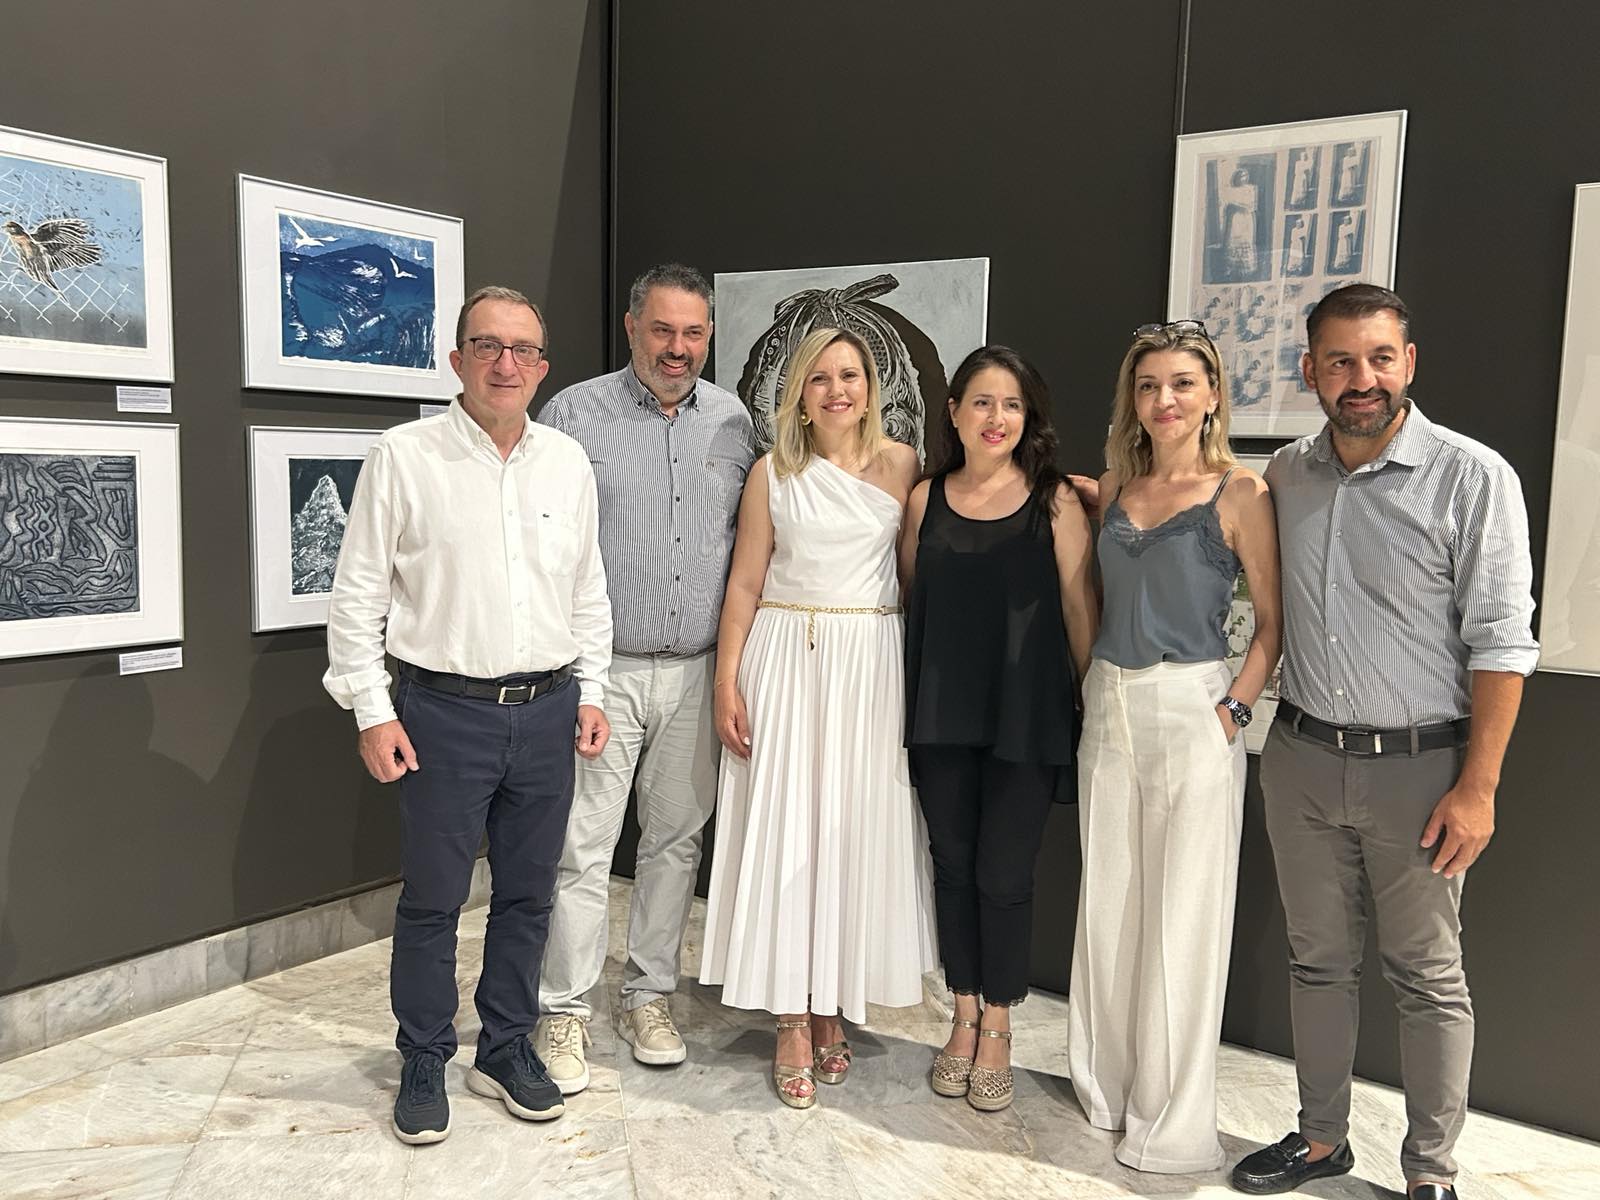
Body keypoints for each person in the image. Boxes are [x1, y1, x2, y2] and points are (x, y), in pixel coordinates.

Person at [1230, 285, 1537, 1200]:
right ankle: (1321, 1139)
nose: (1360, 378)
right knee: (1316, 963)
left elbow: (1502, 642)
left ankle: (1430, 1174)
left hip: (1422, 772)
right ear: (1310, 371)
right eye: (1339, 360)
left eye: (1378, 358)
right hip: (1301, 760)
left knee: (1429, 979)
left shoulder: (1472, 477)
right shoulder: (1286, 474)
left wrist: (1478, 788)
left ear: (1409, 363)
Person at [323, 285, 613, 1145]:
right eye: (487, 346)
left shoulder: (567, 462)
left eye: (523, 349)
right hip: (443, 713)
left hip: (549, 710)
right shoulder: (404, 456)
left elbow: (588, 589)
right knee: (434, 899)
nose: (505, 363)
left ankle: (506, 1046)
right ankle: (423, 1054)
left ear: (543, 367)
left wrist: (592, 690)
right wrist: (371, 710)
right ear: (457, 360)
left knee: (528, 895)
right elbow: (357, 595)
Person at [698, 326, 937, 1109]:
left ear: (871, 388)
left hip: (869, 666)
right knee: (789, 833)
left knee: (850, 835)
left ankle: (832, 998)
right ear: (799, 393)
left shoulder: (903, 465)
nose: (838, 390)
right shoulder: (772, 472)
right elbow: (744, 583)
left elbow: (912, 577)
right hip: (787, 661)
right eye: (821, 377)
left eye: (851, 375)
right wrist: (726, 683)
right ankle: (792, 1017)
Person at [534, 264, 755, 1093]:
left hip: (698, 671)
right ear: (631, 327)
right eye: (662, 330)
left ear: (709, 336)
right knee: (583, 848)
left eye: (693, 333)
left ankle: (648, 996)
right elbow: (548, 547)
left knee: (674, 844)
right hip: (606, 672)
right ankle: (563, 1009)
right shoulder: (573, 415)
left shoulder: (733, 420)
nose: (677, 348)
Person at [1067, 319, 1282, 1172]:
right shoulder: (1114, 487)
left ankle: (1171, 1121)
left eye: (1182, 383)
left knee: (1184, 914)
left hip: (1193, 703)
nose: (1165, 399)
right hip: (1109, 704)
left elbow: (1273, 625)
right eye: (1149, 384)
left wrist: (1231, 712)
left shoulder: (1241, 492)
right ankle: (1107, 1091)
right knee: (1110, 903)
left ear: (1212, 394)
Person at [898, 345, 1097, 1113]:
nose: (996, 417)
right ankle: (962, 1014)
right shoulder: (925, 499)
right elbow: (911, 598)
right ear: (952, 412)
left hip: (1028, 715)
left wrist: (1092, 707)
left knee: (1004, 876)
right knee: (951, 866)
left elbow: (1080, 611)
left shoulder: (1056, 500)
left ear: (1029, 416)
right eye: (981, 401)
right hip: (941, 713)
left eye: (1011, 404)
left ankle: (1000, 1027)